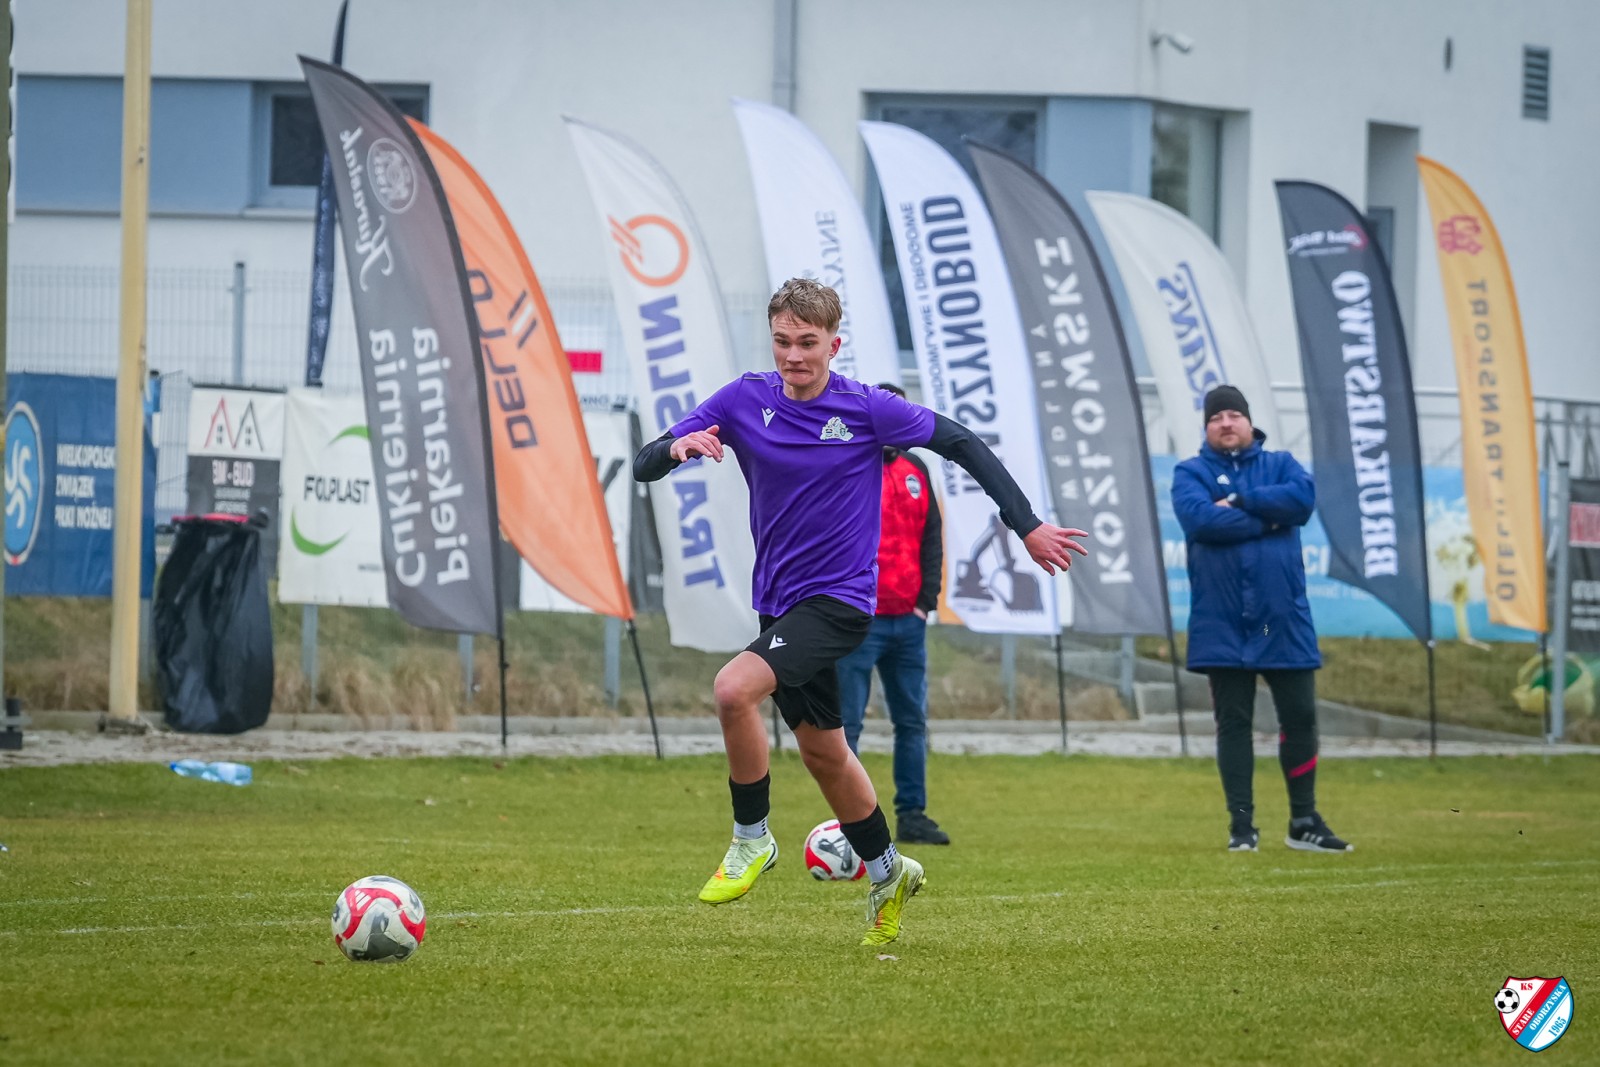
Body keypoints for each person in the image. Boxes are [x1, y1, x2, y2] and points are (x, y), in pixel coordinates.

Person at [633, 278, 1087, 944]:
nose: (794, 355)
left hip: (840, 601)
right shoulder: (742, 398)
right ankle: (888, 870)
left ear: (833, 344)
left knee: (732, 689)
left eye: (807, 342)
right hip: (778, 604)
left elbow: (961, 442)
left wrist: (1028, 525)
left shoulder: (869, 408)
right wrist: (675, 450)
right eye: (783, 341)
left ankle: (752, 837)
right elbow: (645, 461)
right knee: (825, 753)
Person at [1171, 384, 1352, 854]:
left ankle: (1304, 821)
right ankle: (1242, 827)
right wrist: (1271, 517)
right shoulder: (1190, 472)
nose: (1225, 423)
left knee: (1301, 717)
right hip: (1223, 622)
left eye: (1233, 415)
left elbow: (1301, 501)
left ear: (1249, 422)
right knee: (1234, 724)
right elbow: (1201, 521)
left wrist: (1239, 501)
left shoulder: (1282, 465)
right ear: (1207, 428)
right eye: (1216, 418)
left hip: (1278, 622)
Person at [835, 381, 949, 847]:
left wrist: (926, 602)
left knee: (912, 722)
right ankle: (849, 824)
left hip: (908, 621)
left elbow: (932, 537)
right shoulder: (846, 465)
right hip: (858, 621)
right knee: (847, 726)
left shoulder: (916, 469)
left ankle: (913, 815)